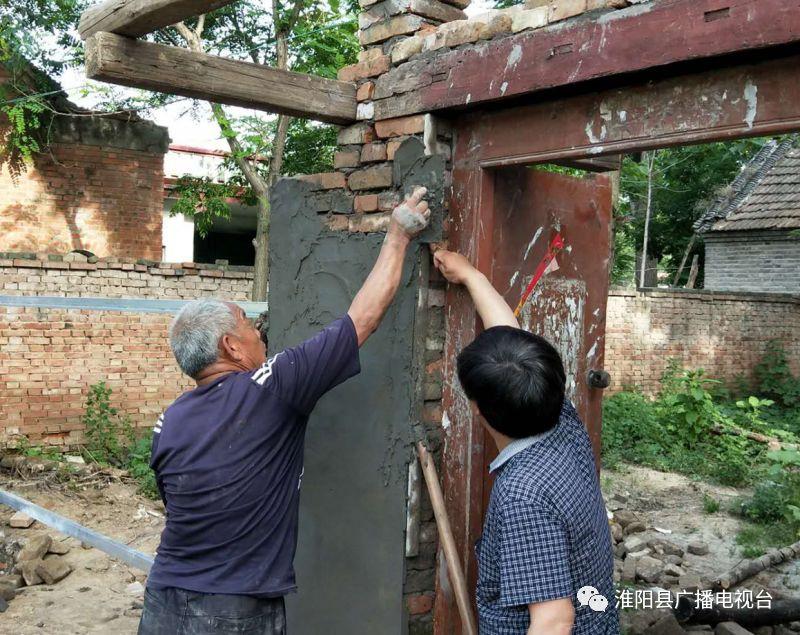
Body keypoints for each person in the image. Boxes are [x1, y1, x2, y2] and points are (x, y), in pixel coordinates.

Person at [138, 188, 431, 635]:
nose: (261, 335)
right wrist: (397, 234)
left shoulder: (168, 421)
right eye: (251, 327)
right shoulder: (269, 387)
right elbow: (363, 318)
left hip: (163, 601)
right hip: (235, 608)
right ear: (231, 347)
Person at [432, 249, 619, 635]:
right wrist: (469, 276)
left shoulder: (522, 494)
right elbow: (512, 343)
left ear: (478, 411)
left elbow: (553, 621)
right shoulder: (561, 422)